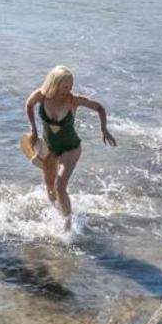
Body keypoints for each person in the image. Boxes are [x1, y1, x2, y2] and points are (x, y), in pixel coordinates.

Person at [23, 65, 117, 231]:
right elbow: (29, 105)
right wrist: (33, 129)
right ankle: (57, 212)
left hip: (71, 148)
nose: (69, 90)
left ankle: (67, 227)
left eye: (70, 85)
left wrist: (104, 128)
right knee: (50, 187)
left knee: (60, 185)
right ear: (54, 83)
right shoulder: (41, 96)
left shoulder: (73, 100)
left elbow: (99, 108)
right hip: (50, 148)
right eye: (65, 86)